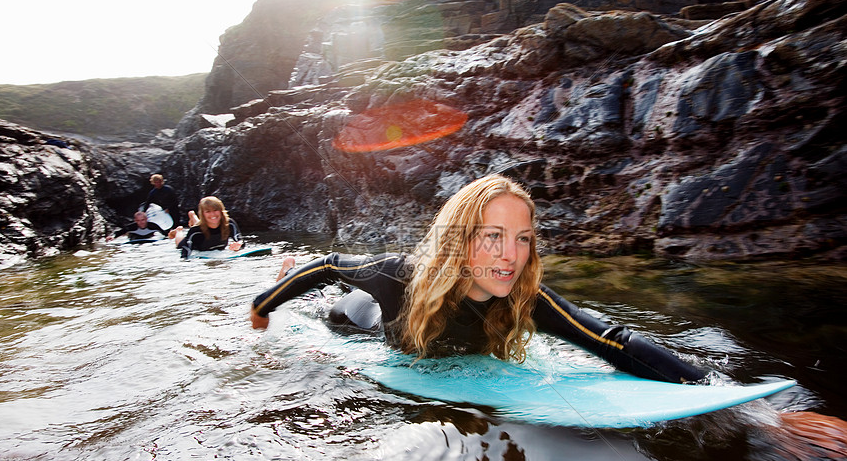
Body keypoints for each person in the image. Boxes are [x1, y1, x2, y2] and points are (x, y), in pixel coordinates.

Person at [250, 174, 703, 383]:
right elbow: (330, 262)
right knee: (332, 291)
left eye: (523, 238)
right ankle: (285, 272)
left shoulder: (525, 298)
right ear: (460, 241)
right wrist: (263, 306)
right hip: (356, 322)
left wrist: (728, 396)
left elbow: (611, 340)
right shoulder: (399, 274)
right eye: (494, 236)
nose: (512, 255)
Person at [176, 196, 243, 259]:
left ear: (221, 210)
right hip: (196, 246)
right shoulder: (195, 231)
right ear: (202, 214)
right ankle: (178, 230)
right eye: (208, 211)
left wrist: (238, 245)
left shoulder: (229, 223)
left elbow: (240, 241)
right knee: (179, 243)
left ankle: (193, 217)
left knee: (211, 219)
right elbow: (185, 254)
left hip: (204, 226)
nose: (212, 214)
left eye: (215, 210)